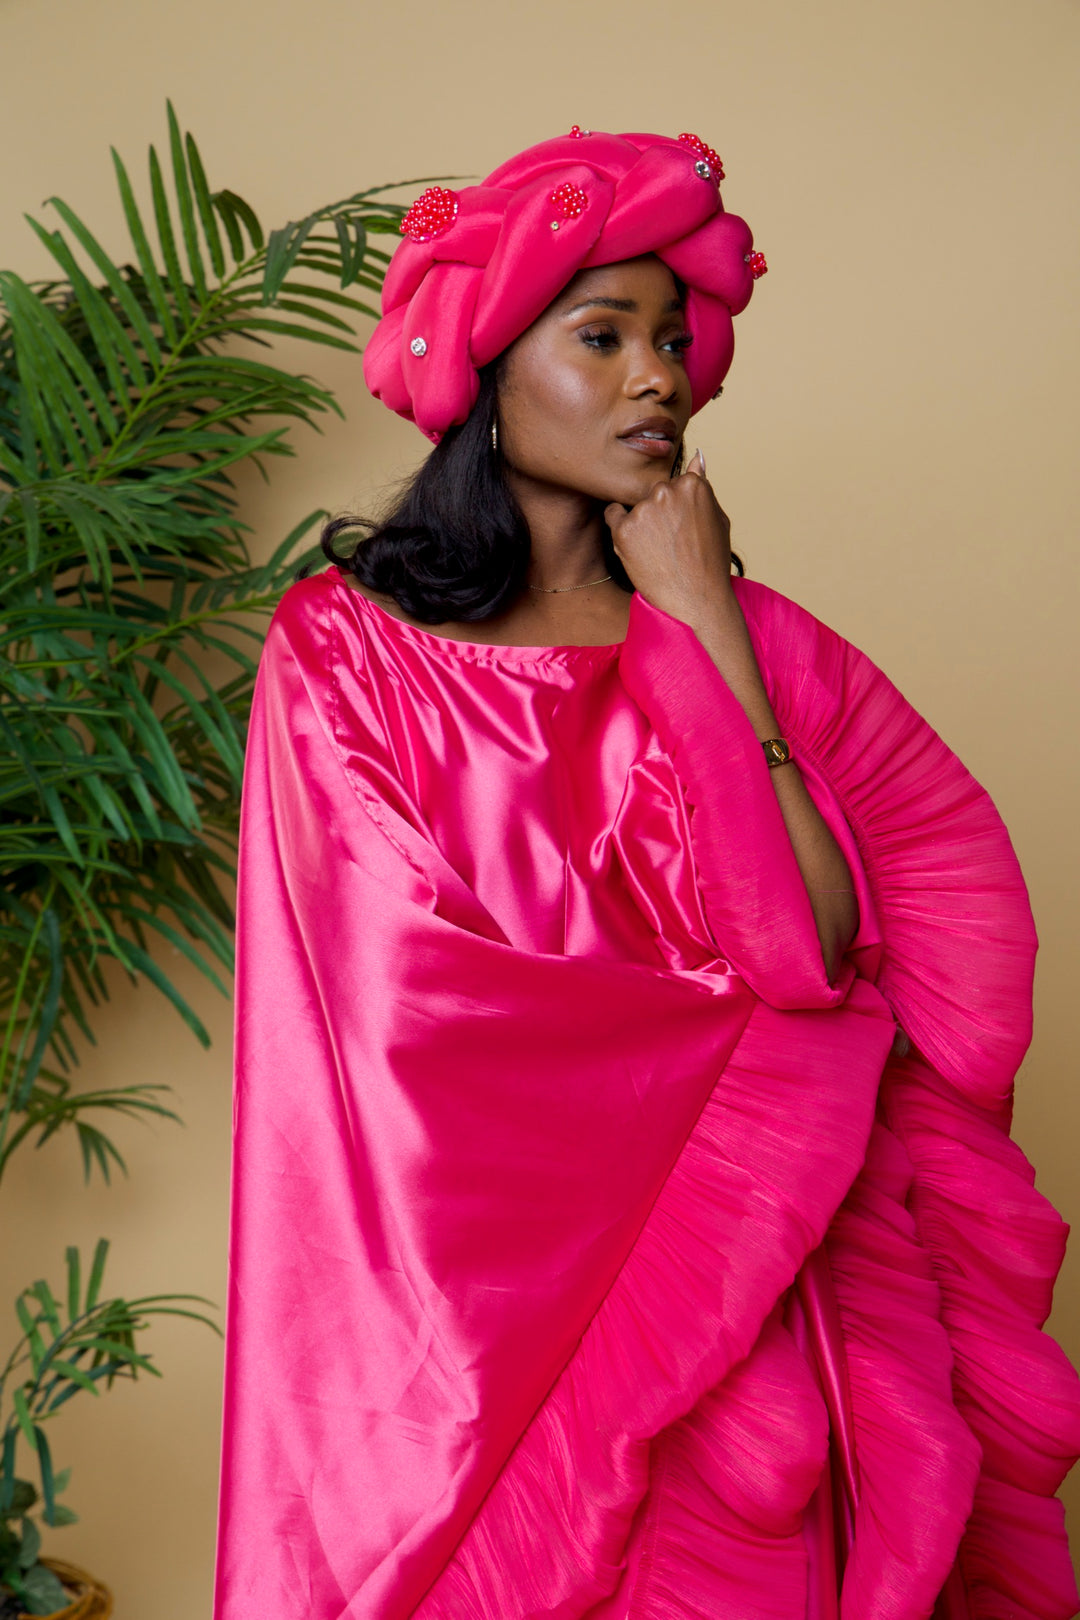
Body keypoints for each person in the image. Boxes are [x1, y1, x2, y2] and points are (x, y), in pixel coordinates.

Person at [212, 129, 1080, 1619]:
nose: (659, 378)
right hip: (500, 1332)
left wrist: (702, 624)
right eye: (602, 336)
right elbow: (391, 1014)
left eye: (674, 340)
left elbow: (812, 956)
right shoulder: (343, 654)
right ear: (486, 364)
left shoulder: (752, 642)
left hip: (748, 1301)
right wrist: (705, 1048)